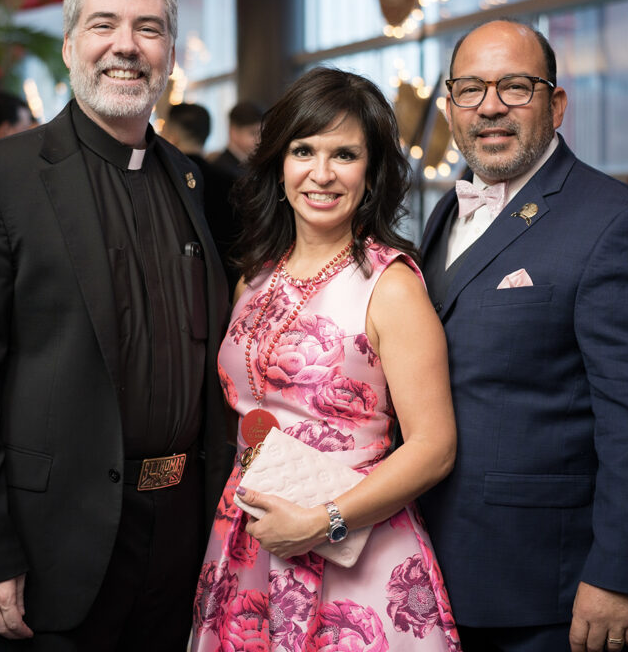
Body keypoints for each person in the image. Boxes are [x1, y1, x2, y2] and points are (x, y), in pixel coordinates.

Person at [0, 0, 233, 650]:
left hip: (182, 533)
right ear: (70, 45)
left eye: (148, 29)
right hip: (52, 544)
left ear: (170, 55)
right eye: (104, 24)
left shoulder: (190, 180)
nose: (127, 45)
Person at [418, 20, 628, 652]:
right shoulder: (443, 211)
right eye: (469, 89)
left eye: (515, 86)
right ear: (450, 106)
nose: (489, 105)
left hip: (548, 585)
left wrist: (622, 575)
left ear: (557, 105)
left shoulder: (620, 224)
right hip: (431, 566)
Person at [192, 66, 460, 651]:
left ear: (371, 173)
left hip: (352, 545)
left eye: (344, 155)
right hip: (248, 540)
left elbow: (434, 447)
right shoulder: (253, 279)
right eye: (303, 150)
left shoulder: (390, 285)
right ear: (278, 164)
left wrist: (323, 522)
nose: (321, 173)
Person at [165, 102, 244, 288]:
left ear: (172, 136)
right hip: (225, 284)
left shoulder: (164, 180)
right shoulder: (230, 182)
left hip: (180, 286)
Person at [211, 100, 263, 174]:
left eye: (262, 133)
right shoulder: (221, 171)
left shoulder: (255, 165)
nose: (259, 140)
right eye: (253, 133)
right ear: (233, 132)